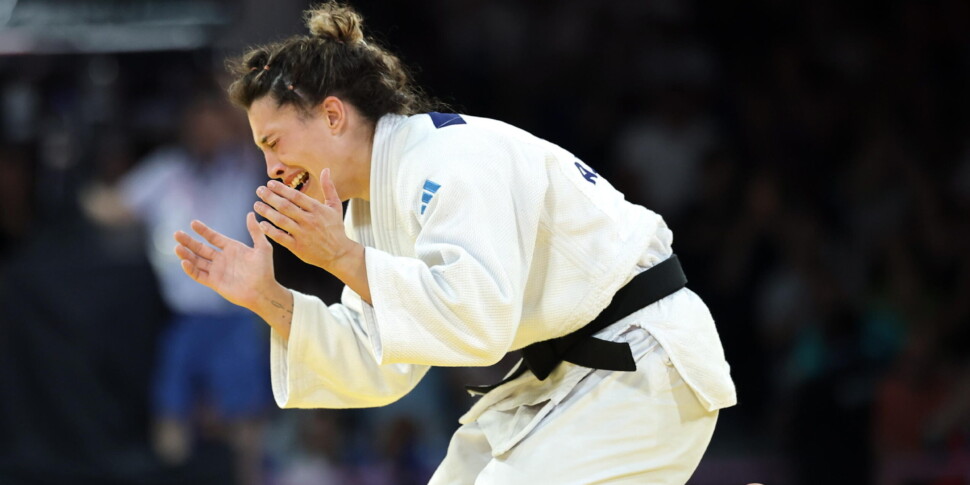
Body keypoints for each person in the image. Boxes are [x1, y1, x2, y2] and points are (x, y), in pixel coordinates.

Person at [173, 2, 736, 483]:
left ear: (334, 115)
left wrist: (342, 257)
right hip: (571, 377)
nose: (270, 168)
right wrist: (265, 297)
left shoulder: (449, 162)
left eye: (274, 142)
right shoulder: (373, 205)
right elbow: (381, 358)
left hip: (641, 362)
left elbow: (476, 321)